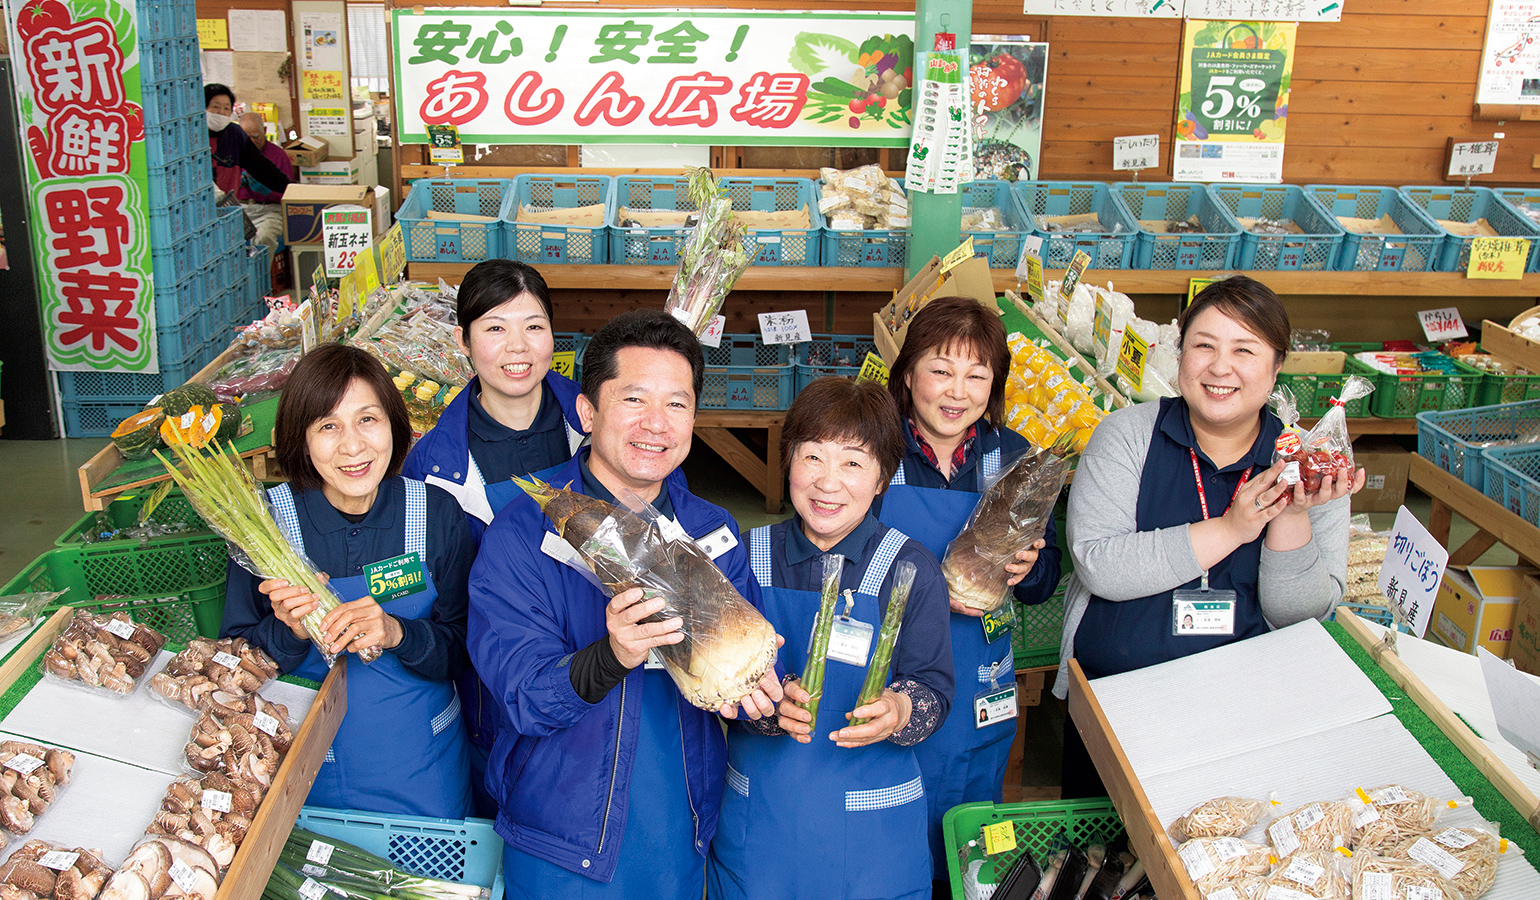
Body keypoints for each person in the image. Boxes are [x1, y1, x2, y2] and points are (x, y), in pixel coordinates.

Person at [468, 310, 783, 900]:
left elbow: (747, 680)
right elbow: (523, 696)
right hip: (559, 839)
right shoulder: (522, 533)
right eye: (634, 399)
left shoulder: (711, 531)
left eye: (677, 404)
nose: (656, 425)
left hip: (679, 831)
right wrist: (611, 654)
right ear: (588, 413)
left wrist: (764, 694)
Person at [1055, 275, 1362, 797]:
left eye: (1245, 350)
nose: (1221, 368)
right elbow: (1099, 565)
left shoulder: (1311, 464)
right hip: (1113, 704)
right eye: (1204, 346)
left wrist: (1291, 513)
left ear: (1276, 366)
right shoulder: (1126, 436)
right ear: (1180, 356)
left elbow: (1300, 613)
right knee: (1095, 859)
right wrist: (1232, 528)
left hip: (1245, 717)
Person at [709, 377, 954, 900]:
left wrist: (899, 711)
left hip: (874, 837)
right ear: (788, 460)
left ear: (882, 477)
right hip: (763, 831)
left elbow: (933, 688)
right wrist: (765, 707)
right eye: (812, 457)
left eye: (852, 463)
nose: (827, 482)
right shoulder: (742, 559)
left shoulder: (911, 568)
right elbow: (710, 681)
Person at [221, 343, 474, 818]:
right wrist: (289, 631)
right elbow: (232, 668)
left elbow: (466, 649)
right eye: (328, 427)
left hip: (425, 771)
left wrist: (398, 632)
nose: (353, 446)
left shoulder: (435, 512)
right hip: (306, 778)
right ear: (300, 439)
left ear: (395, 426)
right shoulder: (268, 527)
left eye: (368, 420)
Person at [877, 295, 1062, 895]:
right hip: (893, 672)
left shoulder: (1015, 458)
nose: (957, 391)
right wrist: (927, 584)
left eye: (976, 375)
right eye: (941, 369)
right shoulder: (873, 452)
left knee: (968, 828)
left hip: (982, 676)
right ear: (907, 375)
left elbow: (1044, 581)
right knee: (891, 827)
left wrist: (1029, 567)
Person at [401, 259, 586, 817]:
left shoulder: (602, 420)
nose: (518, 346)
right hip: (496, 693)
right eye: (495, 328)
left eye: (534, 326)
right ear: (462, 340)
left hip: (612, 668)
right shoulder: (431, 465)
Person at [206, 84, 290, 213]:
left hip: (228, 208)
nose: (221, 112)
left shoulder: (235, 134)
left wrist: (293, 188)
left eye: (226, 108)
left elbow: (262, 168)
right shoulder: (192, 136)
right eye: (216, 107)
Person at [236, 113, 294, 256]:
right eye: (246, 138)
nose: (251, 142)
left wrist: (269, 192)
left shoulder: (278, 155)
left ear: (265, 132)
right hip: (242, 208)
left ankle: (260, 276)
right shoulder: (235, 154)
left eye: (255, 137)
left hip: (270, 211)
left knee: (264, 237)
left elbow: (291, 194)